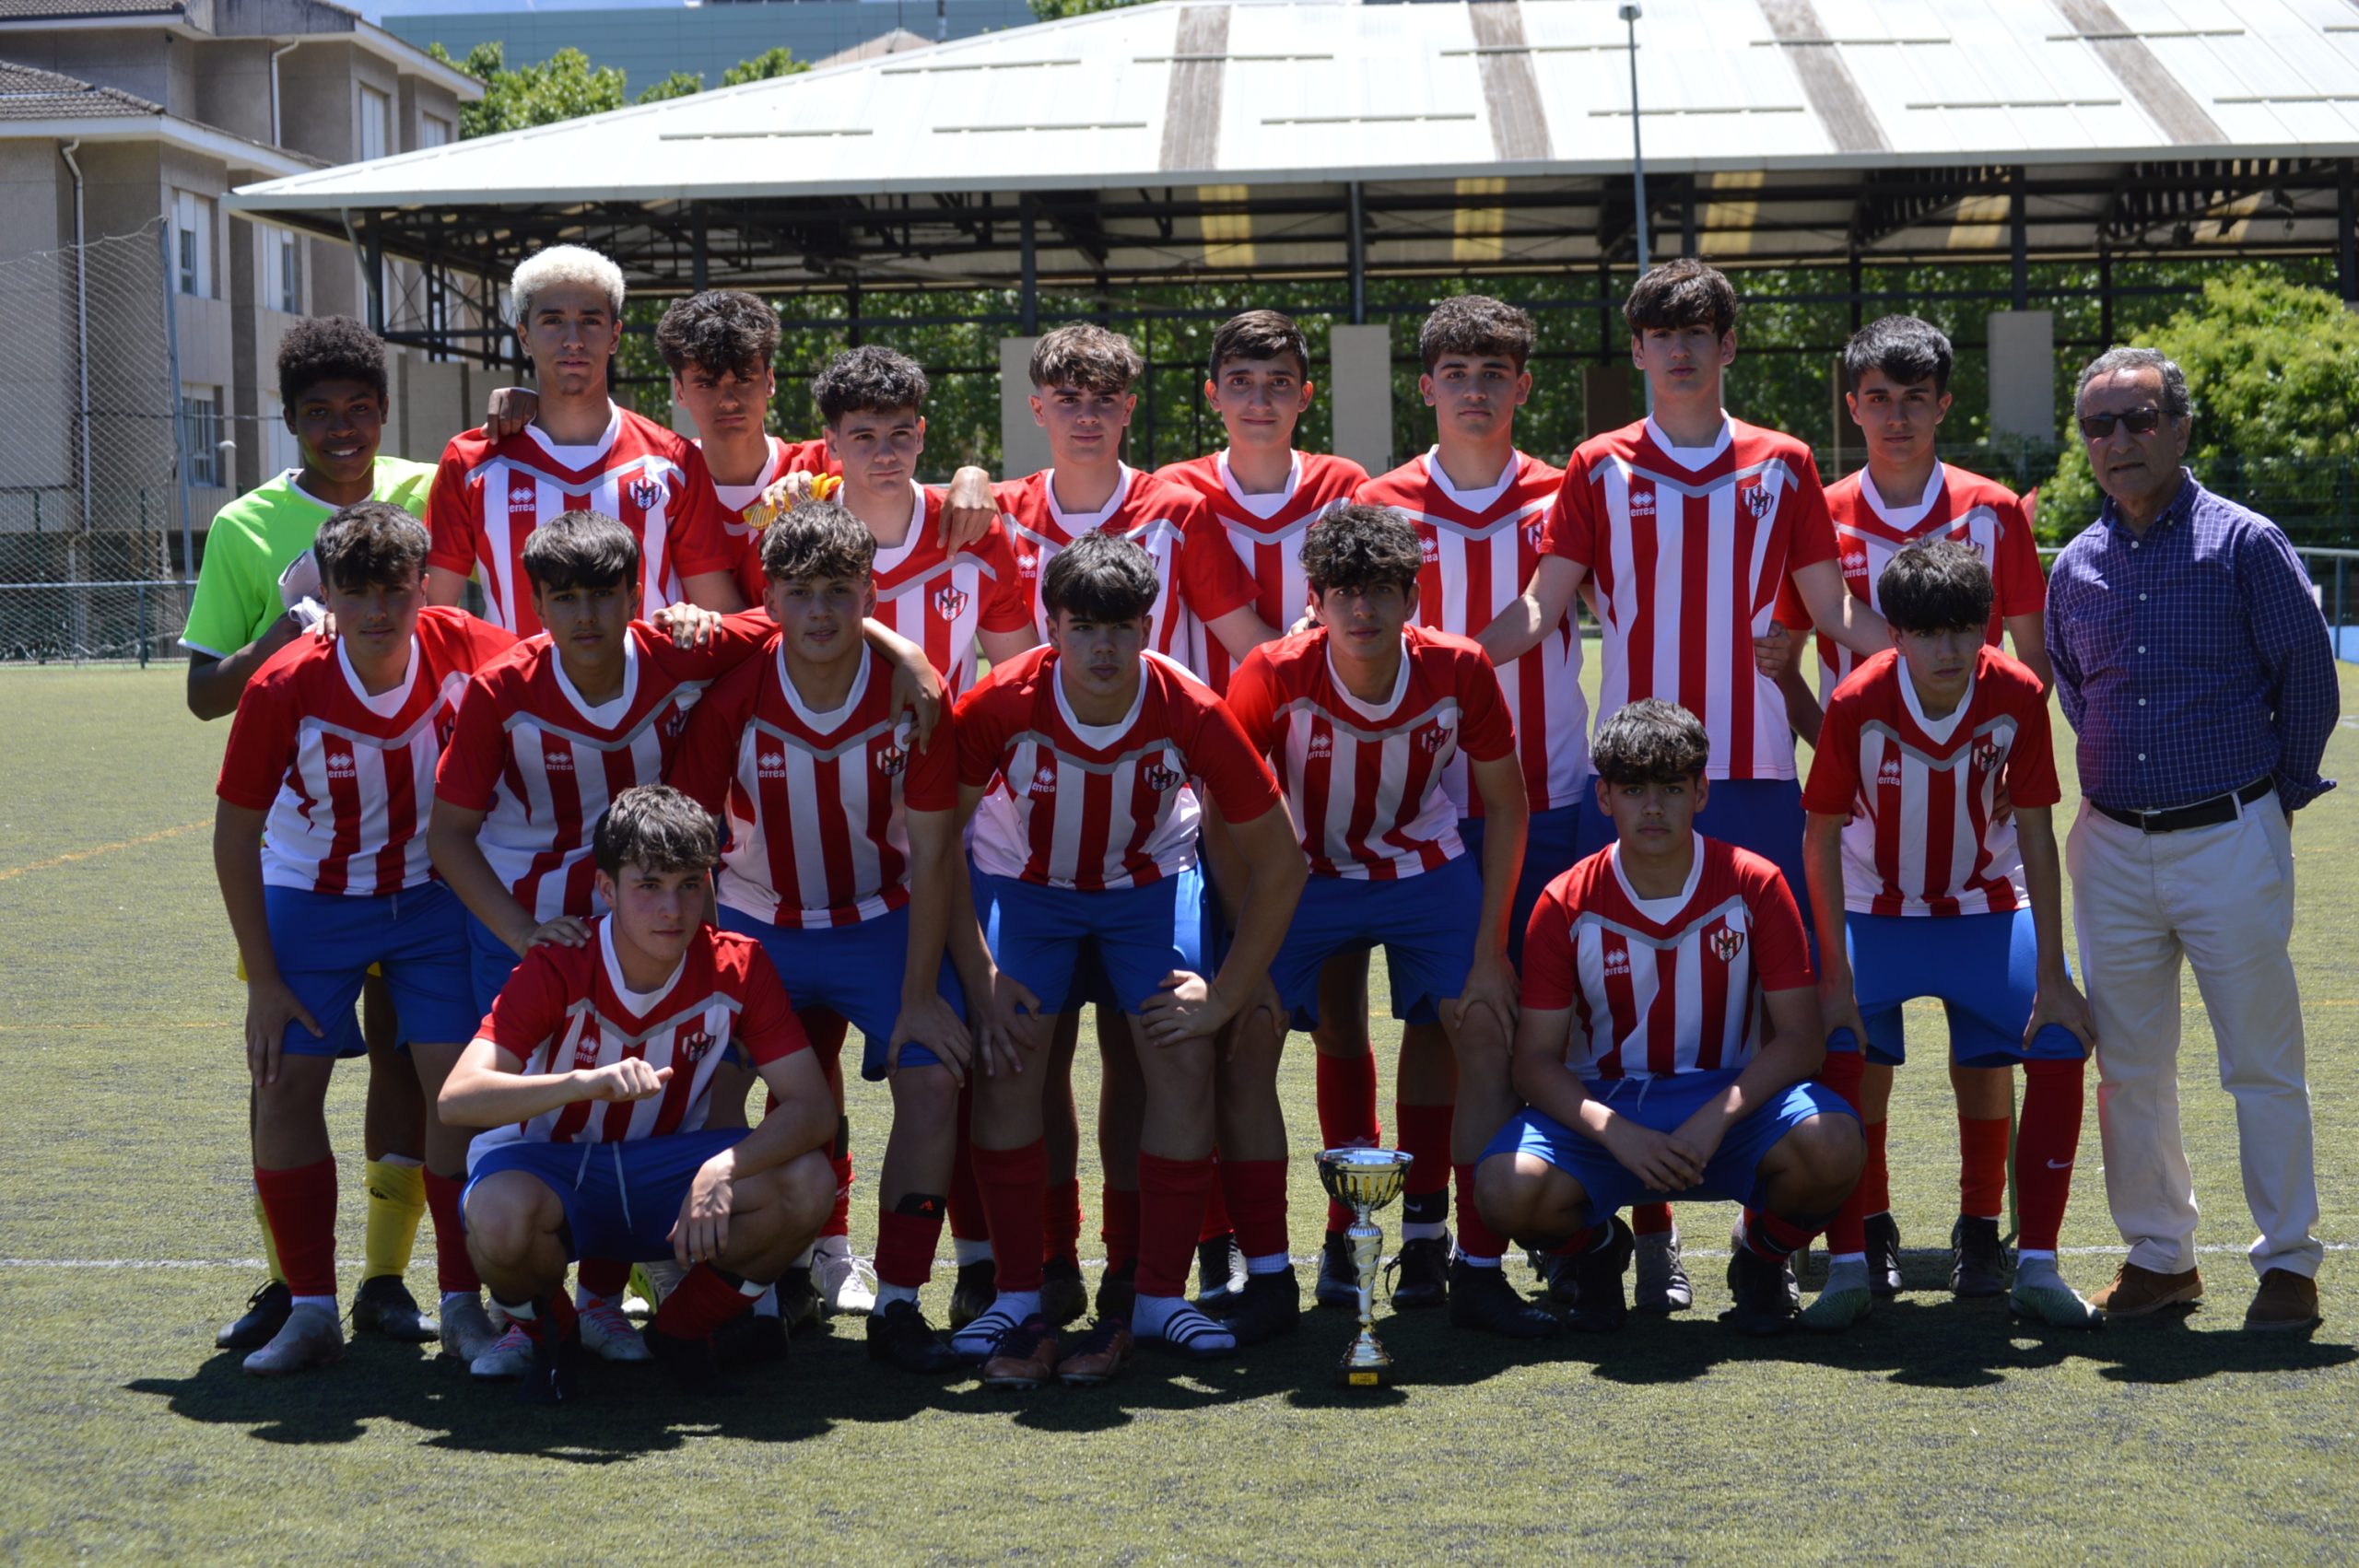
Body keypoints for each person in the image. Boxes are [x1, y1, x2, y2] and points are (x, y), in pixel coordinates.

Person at [1477, 258, 1891, 1312]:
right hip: (1633, 782)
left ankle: (1786, 1237)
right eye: (1660, 332)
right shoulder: (1598, 465)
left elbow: (1833, 612)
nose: (1679, 348)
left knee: (1786, 1000)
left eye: (1698, 330)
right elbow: (1540, 608)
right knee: (1627, 1005)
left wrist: (1953, 663)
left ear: (1727, 347)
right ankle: (1643, 1240)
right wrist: (1432, 656)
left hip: (1751, 776)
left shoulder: (1783, 462)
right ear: (1638, 351)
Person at [950, 531, 1305, 1385]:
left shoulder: (1189, 705)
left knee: (1181, 1056)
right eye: (1082, 626)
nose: (1102, 646)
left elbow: (1282, 862)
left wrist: (1224, 996)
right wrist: (979, 974)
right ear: (1051, 625)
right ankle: (1019, 1290)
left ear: (1149, 624)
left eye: (1121, 625)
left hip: (1145, 885)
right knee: (1008, 1057)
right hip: (1022, 883)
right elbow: (932, 847)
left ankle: (1154, 1295)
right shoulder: (1000, 700)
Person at [427, 509, 769, 1374]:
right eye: (564, 598)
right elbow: (450, 834)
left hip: (655, 911)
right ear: (537, 601)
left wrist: (905, 653)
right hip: (537, 923)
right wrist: (520, 932)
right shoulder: (503, 689)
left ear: (634, 593)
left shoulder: (674, 650)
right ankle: (513, 1310)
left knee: (649, 1099)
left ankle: (610, 1301)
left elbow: (797, 614)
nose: (585, 616)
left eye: (604, 595)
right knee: (521, 1113)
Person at [992, 322, 1279, 1328]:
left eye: (1104, 396)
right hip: (1023, 840)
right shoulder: (995, 510)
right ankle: (1047, 1263)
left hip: (1152, 833)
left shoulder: (1179, 509)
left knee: (1140, 1050)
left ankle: (1129, 1267)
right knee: (1032, 1054)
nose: (1083, 411)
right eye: (1064, 395)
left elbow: (1247, 651)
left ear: (1129, 407)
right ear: (1037, 409)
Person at [2048, 346, 2340, 1332]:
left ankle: (2289, 1262)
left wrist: (2279, 797)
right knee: (2128, 1065)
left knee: (2258, 1059)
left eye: (2136, 419)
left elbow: (2306, 678)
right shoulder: (2075, 564)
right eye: (2098, 425)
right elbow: (2075, 692)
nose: (2117, 440)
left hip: (2228, 830)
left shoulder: (2243, 542)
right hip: (2113, 846)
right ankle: (2159, 1257)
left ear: (2179, 427)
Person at [666, 503, 987, 1375]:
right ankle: (759, 1291)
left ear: (870, 595)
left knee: (932, 1074)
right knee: (716, 1086)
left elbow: (931, 854)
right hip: (755, 924)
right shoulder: (734, 694)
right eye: (799, 593)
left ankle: (900, 1303)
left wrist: (920, 997)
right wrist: (696, 972)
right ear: (767, 597)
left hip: (878, 921)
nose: (819, 613)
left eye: (839, 593)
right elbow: (689, 844)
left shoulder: (911, 695)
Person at [1223, 504, 1555, 1341]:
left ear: (1412, 597)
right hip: (1304, 873)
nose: (1361, 610)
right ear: (1316, 599)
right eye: (1343, 592)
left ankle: (1459, 1257)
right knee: (1251, 1030)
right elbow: (1225, 811)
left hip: (1422, 866)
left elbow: (1506, 808)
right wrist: (1246, 951)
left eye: (1379, 592)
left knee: (1478, 1023)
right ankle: (1270, 1272)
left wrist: (1489, 953)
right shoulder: (1272, 670)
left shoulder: (1460, 667)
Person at [1776, 315, 2056, 1300]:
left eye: (1914, 398)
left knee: (1987, 1049)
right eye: (1875, 399)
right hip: (1863, 844)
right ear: (1850, 407)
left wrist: (1969, 758)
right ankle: (1876, 1222)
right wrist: (1846, 756)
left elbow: (2034, 663)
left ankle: (1983, 1226)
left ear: (1945, 405)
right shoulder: (1818, 511)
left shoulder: (1989, 511)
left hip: (1980, 841)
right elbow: (1781, 658)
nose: (1894, 418)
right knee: (1869, 1049)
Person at [180, 314, 438, 1353]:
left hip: (425, 848)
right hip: (306, 853)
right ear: (288, 422)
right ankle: (293, 1282)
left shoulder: (431, 488)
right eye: (319, 413)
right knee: (283, 1065)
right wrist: (275, 637)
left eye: (360, 408)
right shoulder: (246, 525)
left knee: (407, 1060)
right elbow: (203, 693)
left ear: (384, 411)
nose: (343, 428)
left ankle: (384, 1278)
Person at [212, 501, 519, 1375]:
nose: (378, 610)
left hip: (431, 895)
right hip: (313, 894)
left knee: (455, 1091)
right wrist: (264, 980)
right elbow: (234, 835)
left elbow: (579, 663)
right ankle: (307, 1307)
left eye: (395, 588)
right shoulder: (285, 684)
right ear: (329, 597)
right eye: (357, 591)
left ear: (424, 585)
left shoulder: (469, 646)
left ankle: (462, 1305)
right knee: (282, 1083)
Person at [1344, 296, 1603, 1315]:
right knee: (1440, 1021)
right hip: (1432, 808)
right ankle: (1430, 1233)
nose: (1475, 389)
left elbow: (1578, 604)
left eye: (1495, 372)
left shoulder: (1568, 488)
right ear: (1427, 387)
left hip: (1557, 792)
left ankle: (1598, 1226)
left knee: (1574, 1012)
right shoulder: (1382, 498)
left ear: (1522, 386)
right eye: (1456, 372)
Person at [1474, 700, 1863, 1337]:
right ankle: (1597, 1256)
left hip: (1728, 1104)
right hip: (1607, 1107)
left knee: (1833, 1143)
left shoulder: (1755, 884)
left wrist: (1716, 1119)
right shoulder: (1565, 900)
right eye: (1633, 790)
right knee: (1504, 1188)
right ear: (1604, 798)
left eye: (1671, 789)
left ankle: (1761, 1258)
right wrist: (1616, 1132)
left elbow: (1800, 1040)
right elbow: (1534, 1061)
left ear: (1701, 791)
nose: (1652, 807)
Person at [439, 786, 839, 1402]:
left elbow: (814, 1110)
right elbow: (458, 1099)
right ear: (607, 889)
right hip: (554, 1171)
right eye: (648, 885)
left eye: (689, 884)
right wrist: (583, 1083)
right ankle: (554, 1338)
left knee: (807, 1182)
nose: (672, 908)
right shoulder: (558, 965)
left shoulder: (740, 964)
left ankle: (681, 1335)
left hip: (668, 1175)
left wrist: (724, 1167)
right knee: (496, 1216)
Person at [1795, 541, 2099, 1331]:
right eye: (1929, 633)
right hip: (1875, 908)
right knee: (1841, 1045)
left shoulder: (2018, 692)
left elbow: (2036, 828)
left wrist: (2057, 975)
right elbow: (1819, 836)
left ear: (1987, 628)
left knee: (2060, 1036)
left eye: (1966, 629)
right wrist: (1833, 970)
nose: (1949, 649)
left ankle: (2031, 1259)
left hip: (1986, 907)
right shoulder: (1858, 701)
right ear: (1894, 633)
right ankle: (1855, 1256)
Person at [1155, 310, 1367, 1305]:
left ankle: (1348, 1229)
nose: (1258, 399)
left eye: (1277, 382)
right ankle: (1214, 1236)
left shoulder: (1343, 489)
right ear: (1212, 394)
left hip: (1330, 781)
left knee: (1336, 1014)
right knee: (1208, 1012)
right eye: (1240, 380)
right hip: (1206, 795)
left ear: (1304, 395)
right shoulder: (1172, 492)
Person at [481, 290, 1003, 587]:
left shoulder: (822, 463)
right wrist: (532, 402)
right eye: (707, 383)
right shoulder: (654, 478)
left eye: (744, 380)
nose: (727, 400)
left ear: (771, 381)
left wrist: (972, 476)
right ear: (680, 391)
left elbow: (901, 476)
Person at [425, 244, 742, 633]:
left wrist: (700, 619)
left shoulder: (673, 462)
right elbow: (430, 614)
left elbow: (722, 611)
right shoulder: (470, 462)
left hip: (649, 694)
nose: (572, 339)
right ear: (524, 337)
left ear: (615, 335)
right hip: (522, 694)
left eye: (590, 321)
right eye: (553, 320)